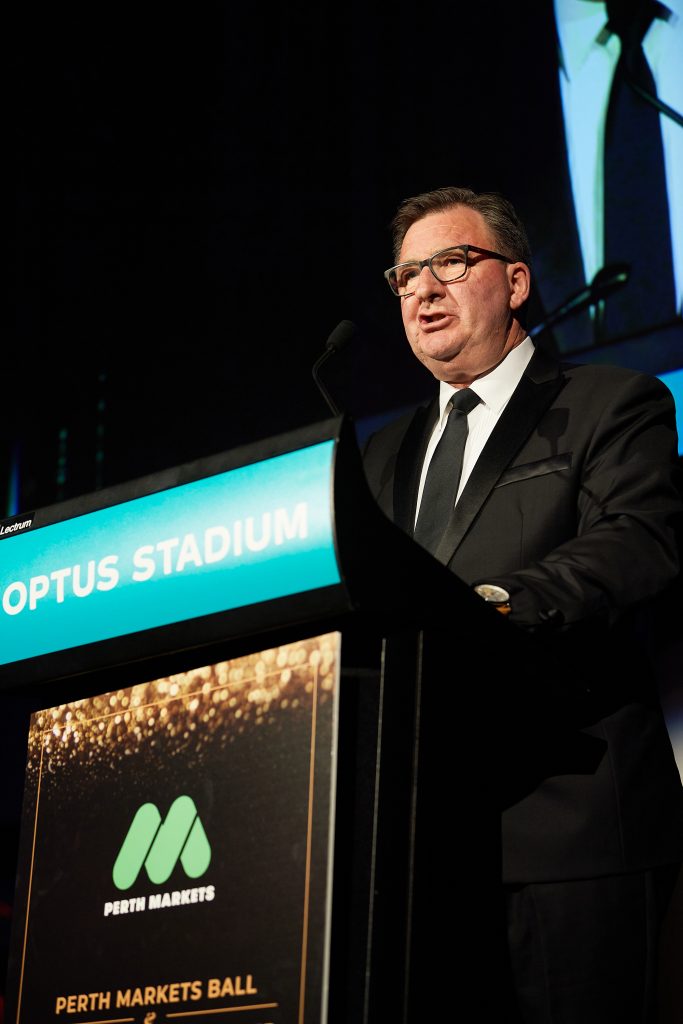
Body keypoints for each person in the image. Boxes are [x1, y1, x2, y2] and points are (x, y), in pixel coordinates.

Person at [362, 186, 683, 1023]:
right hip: (418, 850)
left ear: (513, 282)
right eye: (405, 276)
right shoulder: (376, 455)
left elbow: (637, 541)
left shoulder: (610, 402)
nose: (423, 289)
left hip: (571, 832)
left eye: (450, 263)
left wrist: (493, 606)